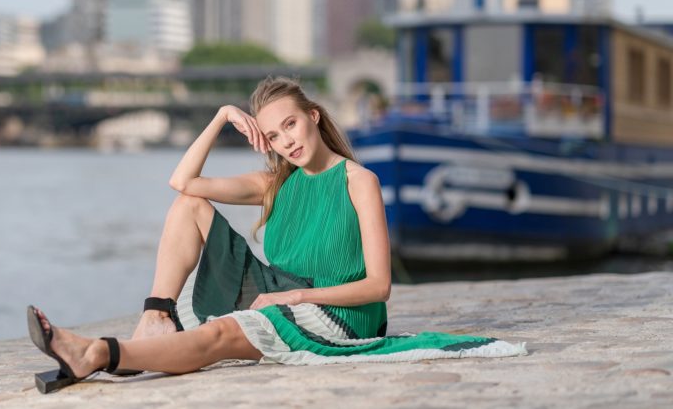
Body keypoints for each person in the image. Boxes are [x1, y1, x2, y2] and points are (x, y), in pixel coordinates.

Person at [27, 76, 525, 393]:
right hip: (278, 290)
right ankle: (155, 318)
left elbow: (379, 286)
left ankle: (100, 353)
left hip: (339, 312)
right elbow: (182, 183)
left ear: (314, 116)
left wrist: (297, 295)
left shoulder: (358, 181)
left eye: (292, 124)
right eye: (274, 135)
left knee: (219, 334)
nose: (287, 141)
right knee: (190, 205)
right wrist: (222, 116)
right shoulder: (273, 184)